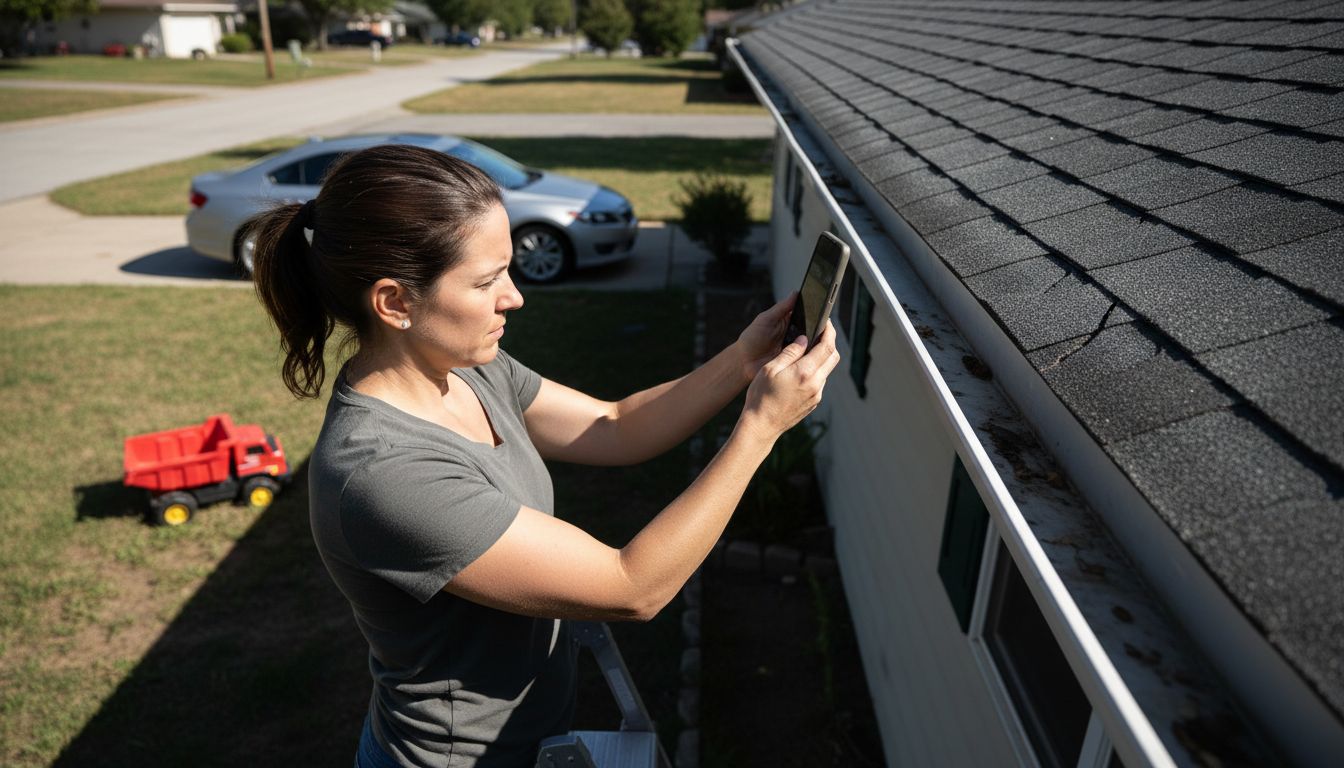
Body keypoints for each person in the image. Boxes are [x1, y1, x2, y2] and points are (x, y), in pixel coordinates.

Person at [248, 144, 839, 768]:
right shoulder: (385, 475)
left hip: (531, 742)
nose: (514, 297)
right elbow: (631, 587)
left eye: (506, 270)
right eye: (485, 282)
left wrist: (740, 363)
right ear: (394, 302)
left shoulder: (464, 367)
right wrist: (761, 428)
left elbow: (613, 426)